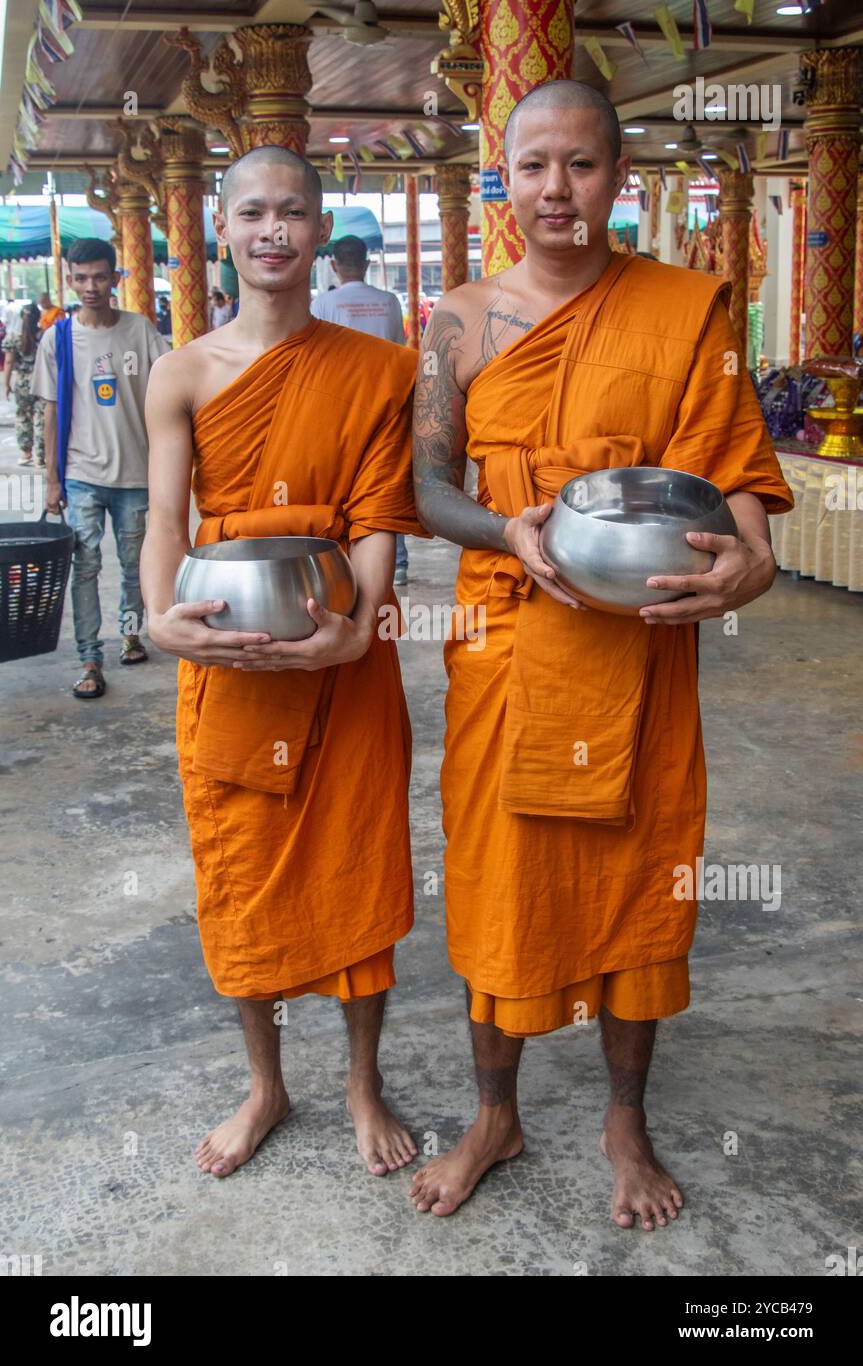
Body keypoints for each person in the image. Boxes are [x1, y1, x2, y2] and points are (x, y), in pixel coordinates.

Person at [410, 80, 794, 1226]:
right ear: (502, 178)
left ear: (616, 178)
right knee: (494, 885)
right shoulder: (459, 320)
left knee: (639, 884)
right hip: (504, 644)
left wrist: (756, 557)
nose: (554, 190)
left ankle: (624, 1119)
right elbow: (425, 489)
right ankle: (495, 1111)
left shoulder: (684, 308)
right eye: (532, 166)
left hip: (635, 648)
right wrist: (505, 526)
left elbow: (731, 470)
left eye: (579, 166)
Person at [140, 145, 423, 1180]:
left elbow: (379, 513)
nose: (272, 230)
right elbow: (167, 521)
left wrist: (364, 621)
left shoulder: (379, 368)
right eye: (252, 211)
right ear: (222, 229)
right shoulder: (181, 371)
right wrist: (160, 618)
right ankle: (265, 1083)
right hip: (228, 640)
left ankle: (360, 1081)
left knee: (356, 865)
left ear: (317, 229)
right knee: (241, 873)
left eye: (292, 211)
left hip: (340, 645)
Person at [32, 237, 169, 698]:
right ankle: (90, 657)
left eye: (98, 277)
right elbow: (51, 411)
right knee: (85, 567)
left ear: (115, 278)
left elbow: (167, 397)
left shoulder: (140, 331)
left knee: (134, 567)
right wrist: (52, 478)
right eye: (81, 278)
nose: (90, 286)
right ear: (70, 280)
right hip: (81, 474)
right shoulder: (59, 338)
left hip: (135, 474)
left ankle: (130, 633)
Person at [312, 236, 411, 583]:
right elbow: (399, 351)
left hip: (338, 408)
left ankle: (345, 556)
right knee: (384, 481)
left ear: (334, 265)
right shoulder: (388, 301)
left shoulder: (324, 303)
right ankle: (396, 562)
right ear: (367, 264)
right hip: (387, 403)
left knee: (343, 485)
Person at [3, 302, 44, 466]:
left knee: (23, 416)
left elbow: (8, 362)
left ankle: (26, 453)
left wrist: (6, 384)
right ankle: (41, 456)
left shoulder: (13, 337)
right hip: (42, 382)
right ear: (38, 317)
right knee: (42, 418)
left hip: (22, 383)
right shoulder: (44, 335)